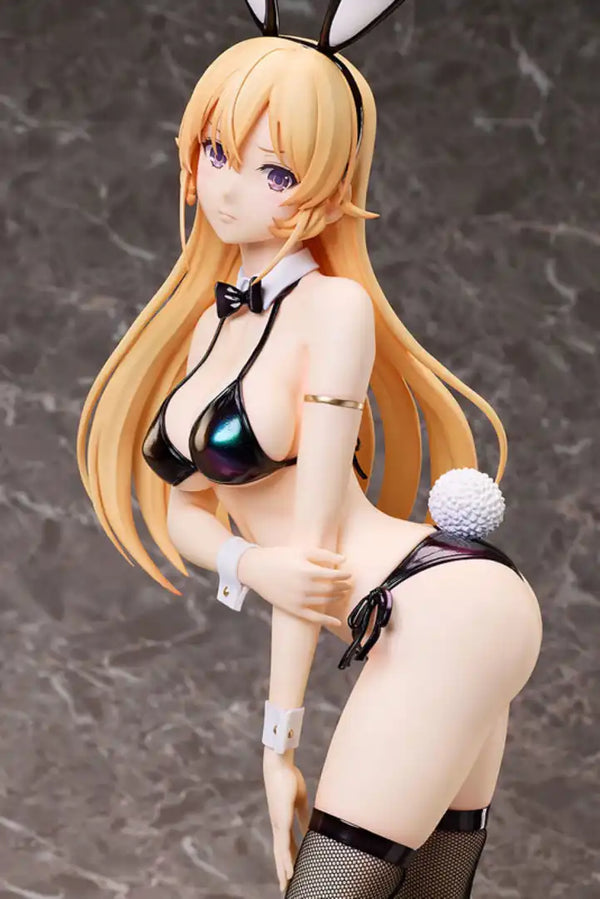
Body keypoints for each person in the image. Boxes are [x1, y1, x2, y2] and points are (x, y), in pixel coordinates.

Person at [77, 2, 543, 896]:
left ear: (329, 187)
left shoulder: (334, 310)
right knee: (429, 889)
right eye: (217, 152)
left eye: (276, 170)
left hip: (433, 606)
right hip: (422, 612)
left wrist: (279, 742)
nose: (229, 188)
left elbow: (317, 543)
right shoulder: (206, 329)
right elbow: (187, 510)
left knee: (333, 884)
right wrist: (250, 563)